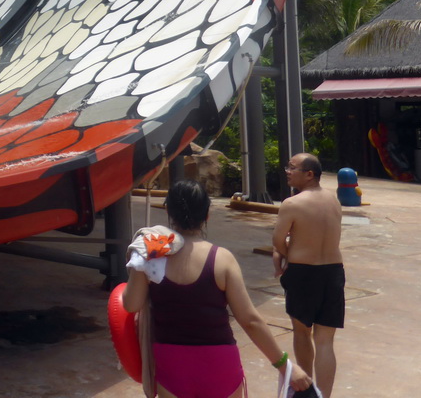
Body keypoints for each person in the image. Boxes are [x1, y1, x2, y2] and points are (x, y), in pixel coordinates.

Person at [124, 179, 312, 398]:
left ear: (169, 212)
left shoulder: (152, 254)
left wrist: (141, 257)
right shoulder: (222, 259)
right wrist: (283, 365)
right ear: (207, 216)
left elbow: (131, 304)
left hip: (171, 362)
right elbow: (250, 321)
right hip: (219, 363)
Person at [273, 153, 344, 398]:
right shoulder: (333, 200)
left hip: (304, 273)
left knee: (302, 333)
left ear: (309, 174)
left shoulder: (292, 203)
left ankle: (306, 391)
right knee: (325, 341)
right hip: (333, 273)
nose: (287, 171)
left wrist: (282, 254)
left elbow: (277, 240)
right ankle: (324, 395)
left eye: (292, 168)